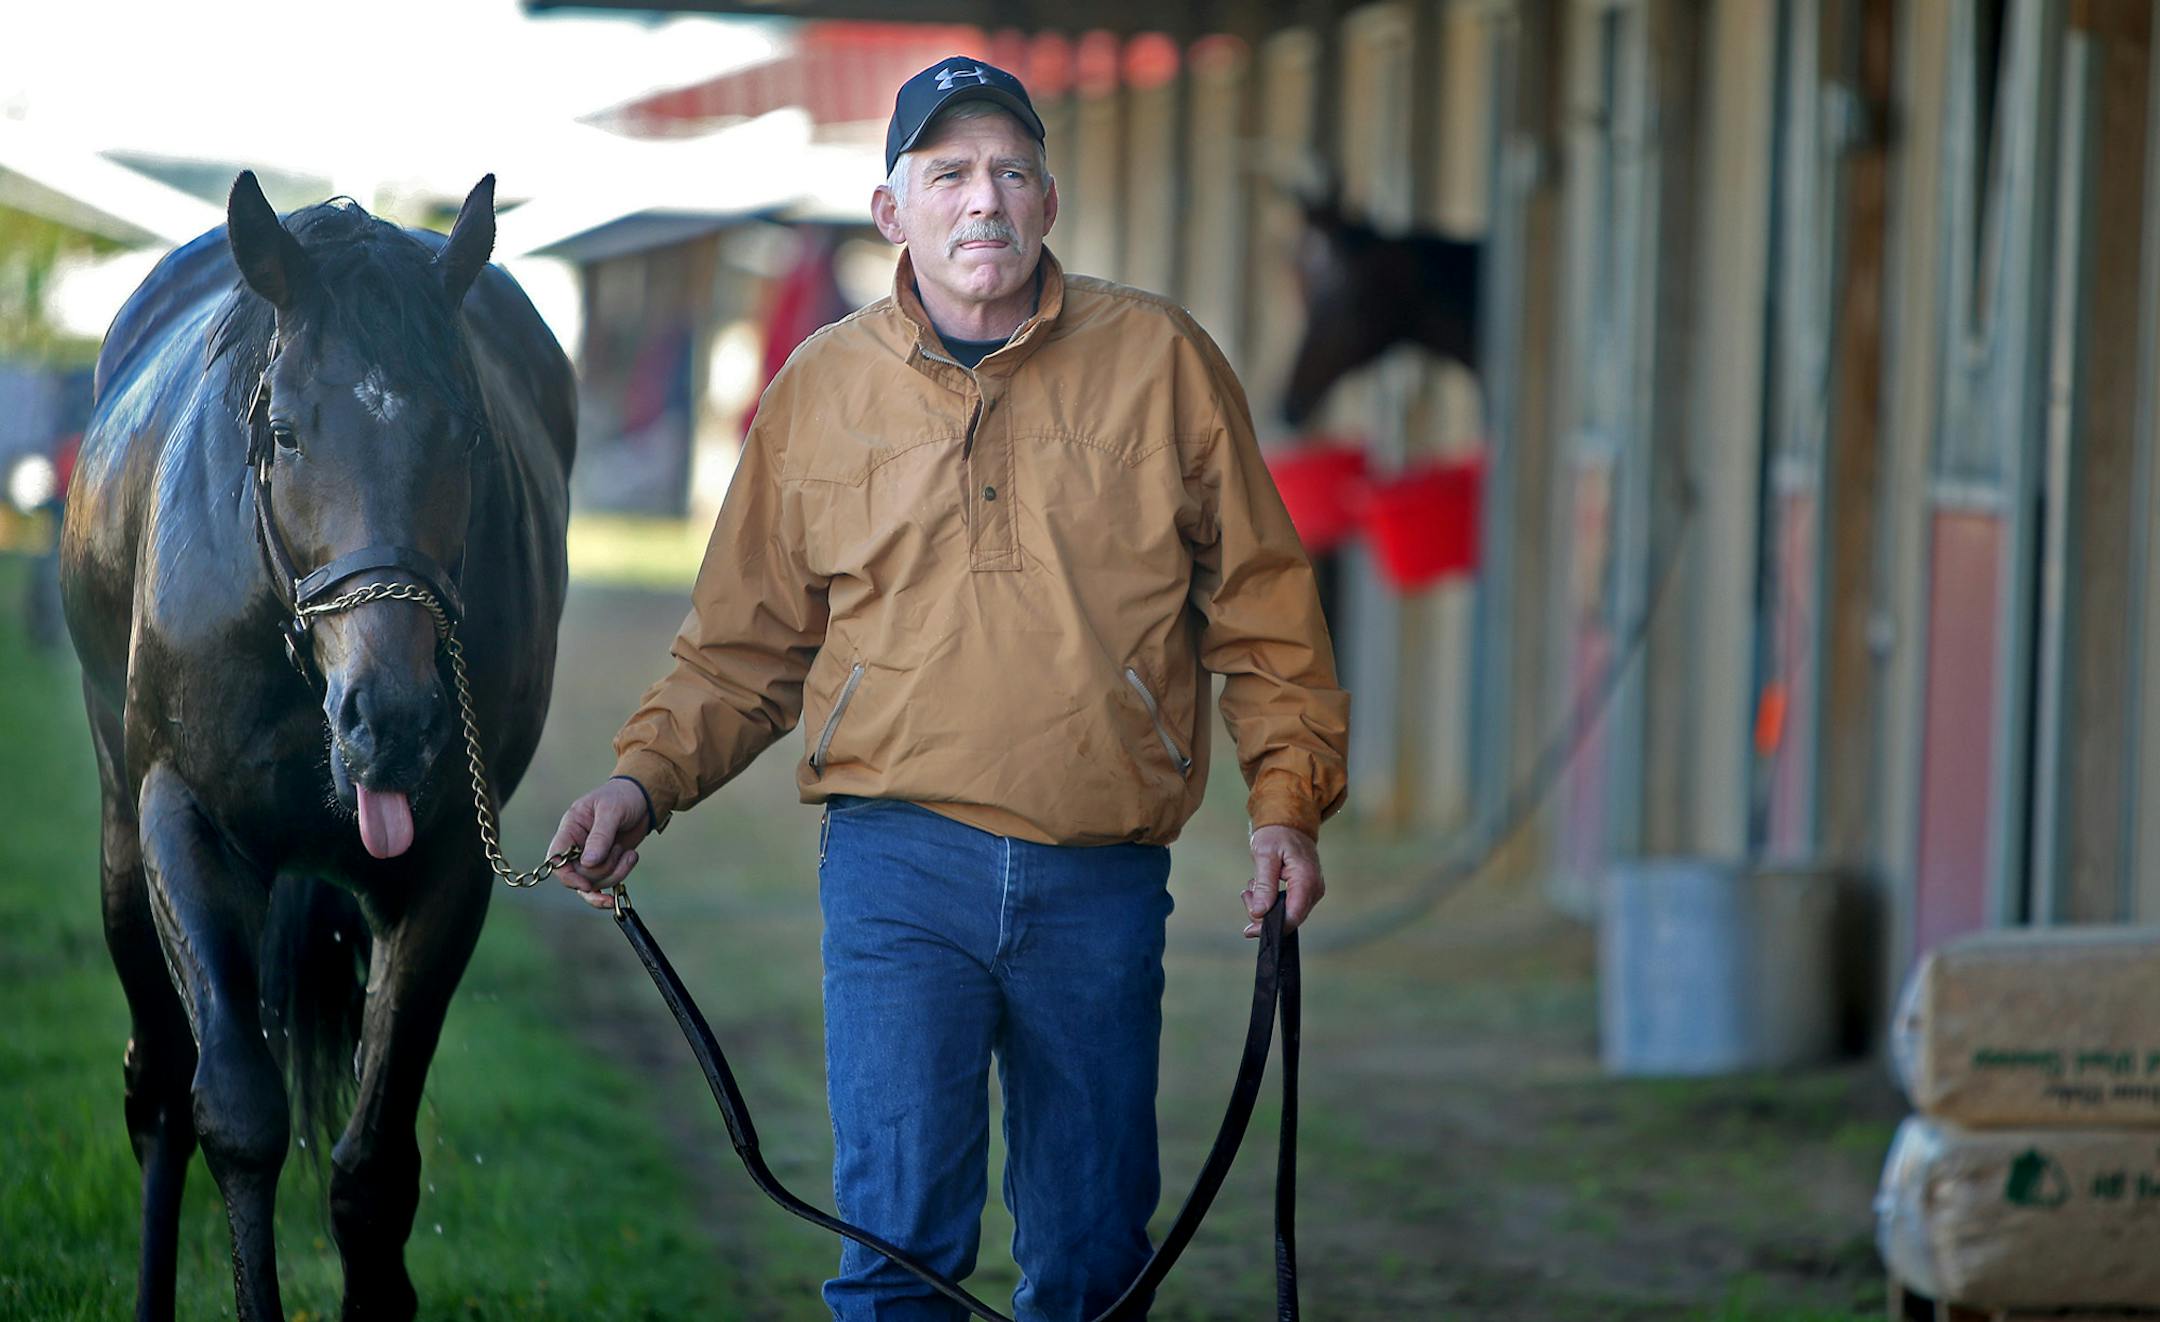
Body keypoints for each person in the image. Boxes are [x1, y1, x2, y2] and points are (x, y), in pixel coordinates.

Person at [550, 56, 1350, 1321]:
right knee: (899, 1250)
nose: (985, 199)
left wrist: (1286, 803)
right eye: (950, 174)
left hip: (1101, 872)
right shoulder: (818, 390)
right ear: (892, 214)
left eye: (1011, 171)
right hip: (896, 867)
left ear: (1047, 202)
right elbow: (743, 648)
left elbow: (1264, 608)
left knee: (1093, 1253)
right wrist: (640, 780)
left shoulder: (1164, 363)